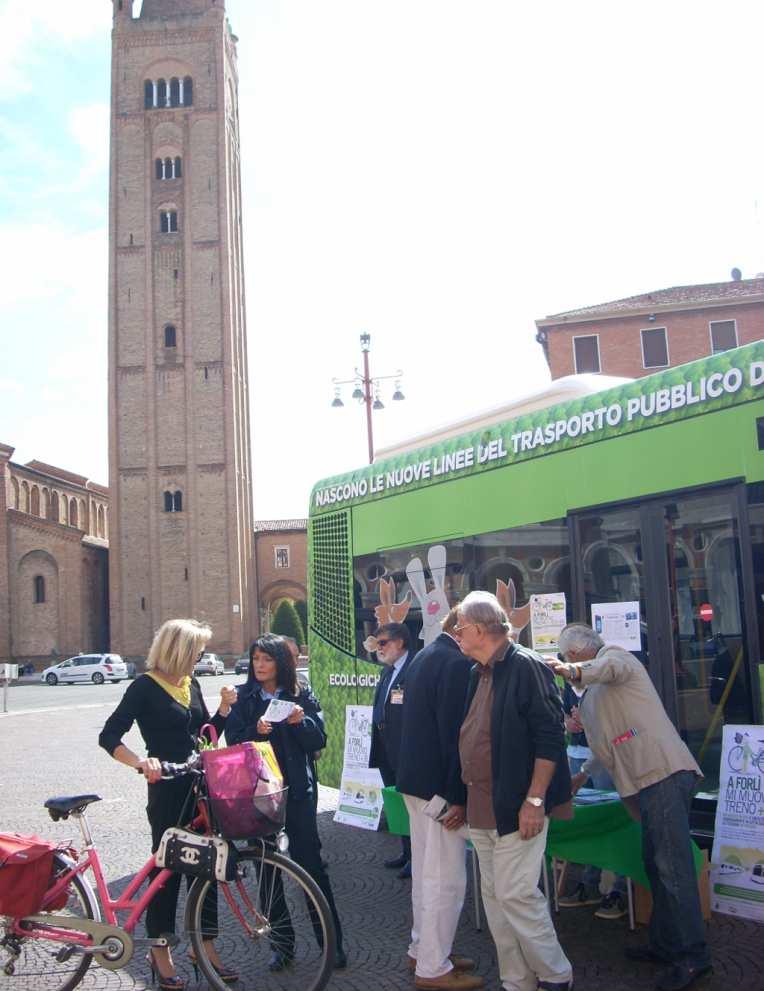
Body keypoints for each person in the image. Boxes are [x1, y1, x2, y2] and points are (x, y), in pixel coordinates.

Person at [551, 623, 712, 991]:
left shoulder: (615, 657)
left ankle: (693, 957)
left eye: (567, 657)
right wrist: (581, 776)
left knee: (672, 869)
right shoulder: (591, 692)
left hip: (663, 773)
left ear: (577, 653)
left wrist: (569, 672)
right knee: (656, 866)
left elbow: (608, 670)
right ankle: (666, 944)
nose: (566, 663)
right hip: (644, 782)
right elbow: (606, 746)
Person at [99, 618, 238, 990]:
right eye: (198, 652)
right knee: (168, 872)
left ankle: (204, 946)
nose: (201, 658)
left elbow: (205, 736)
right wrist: (142, 763)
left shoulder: (189, 684)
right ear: (180, 651)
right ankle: (160, 951)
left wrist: (223, 711)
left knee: (208, 868)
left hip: (198, 788)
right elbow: (109, 735)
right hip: (166, 791)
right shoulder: (145, 687)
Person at [455, 591, 573, 991]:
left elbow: (549, 737)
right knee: (495, 899)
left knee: (516, 894)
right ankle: (517, 981)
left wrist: (535, 800)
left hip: (517, 806)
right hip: (482, 807)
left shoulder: (526, 666)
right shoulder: (477, 671)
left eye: (460, 626)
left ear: (479, 628)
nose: (455, 632)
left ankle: (556, 975)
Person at [225, 634, 347, 970]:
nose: (260, 666)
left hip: (296, 792)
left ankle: (331, 942)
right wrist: (255, 729)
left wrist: (300, 721)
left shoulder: (301, 693)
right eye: (256, 659)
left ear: (282, 662)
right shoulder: (245, 696)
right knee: (266, 869)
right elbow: (232, 740)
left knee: (311, 864)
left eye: (267, 659)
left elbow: (318, 739)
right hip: (260, 794)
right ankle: (282, 945)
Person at [396, 607, 481, 991]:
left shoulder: (427, 655)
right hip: (439, 788)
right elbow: (454, 737)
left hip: (416, 781)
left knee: (428, 874)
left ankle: (424, 948)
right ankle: (433, 966)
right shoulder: (454, 663)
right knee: (445, 877)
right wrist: (456, 795)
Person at [557, 680, 628, 919]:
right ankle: (589, 884)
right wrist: (568, 722)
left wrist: (587, 719)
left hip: (605, 757)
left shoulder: (600, 673)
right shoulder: (567, 672)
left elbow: (616, 722)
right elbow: (566, 711)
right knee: (587, 823)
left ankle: (617, 891)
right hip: (577, 753)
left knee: (612, 819)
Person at [369, 622, 415, 877]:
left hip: (404, 751)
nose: (379, 648)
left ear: (400, 643)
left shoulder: (414, 669)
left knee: (410, 806)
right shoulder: (388, 671)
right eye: (377, 643)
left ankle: (416, 857)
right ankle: (406, 851)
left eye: (383, 642)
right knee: (397, 805)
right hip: (386, 751)